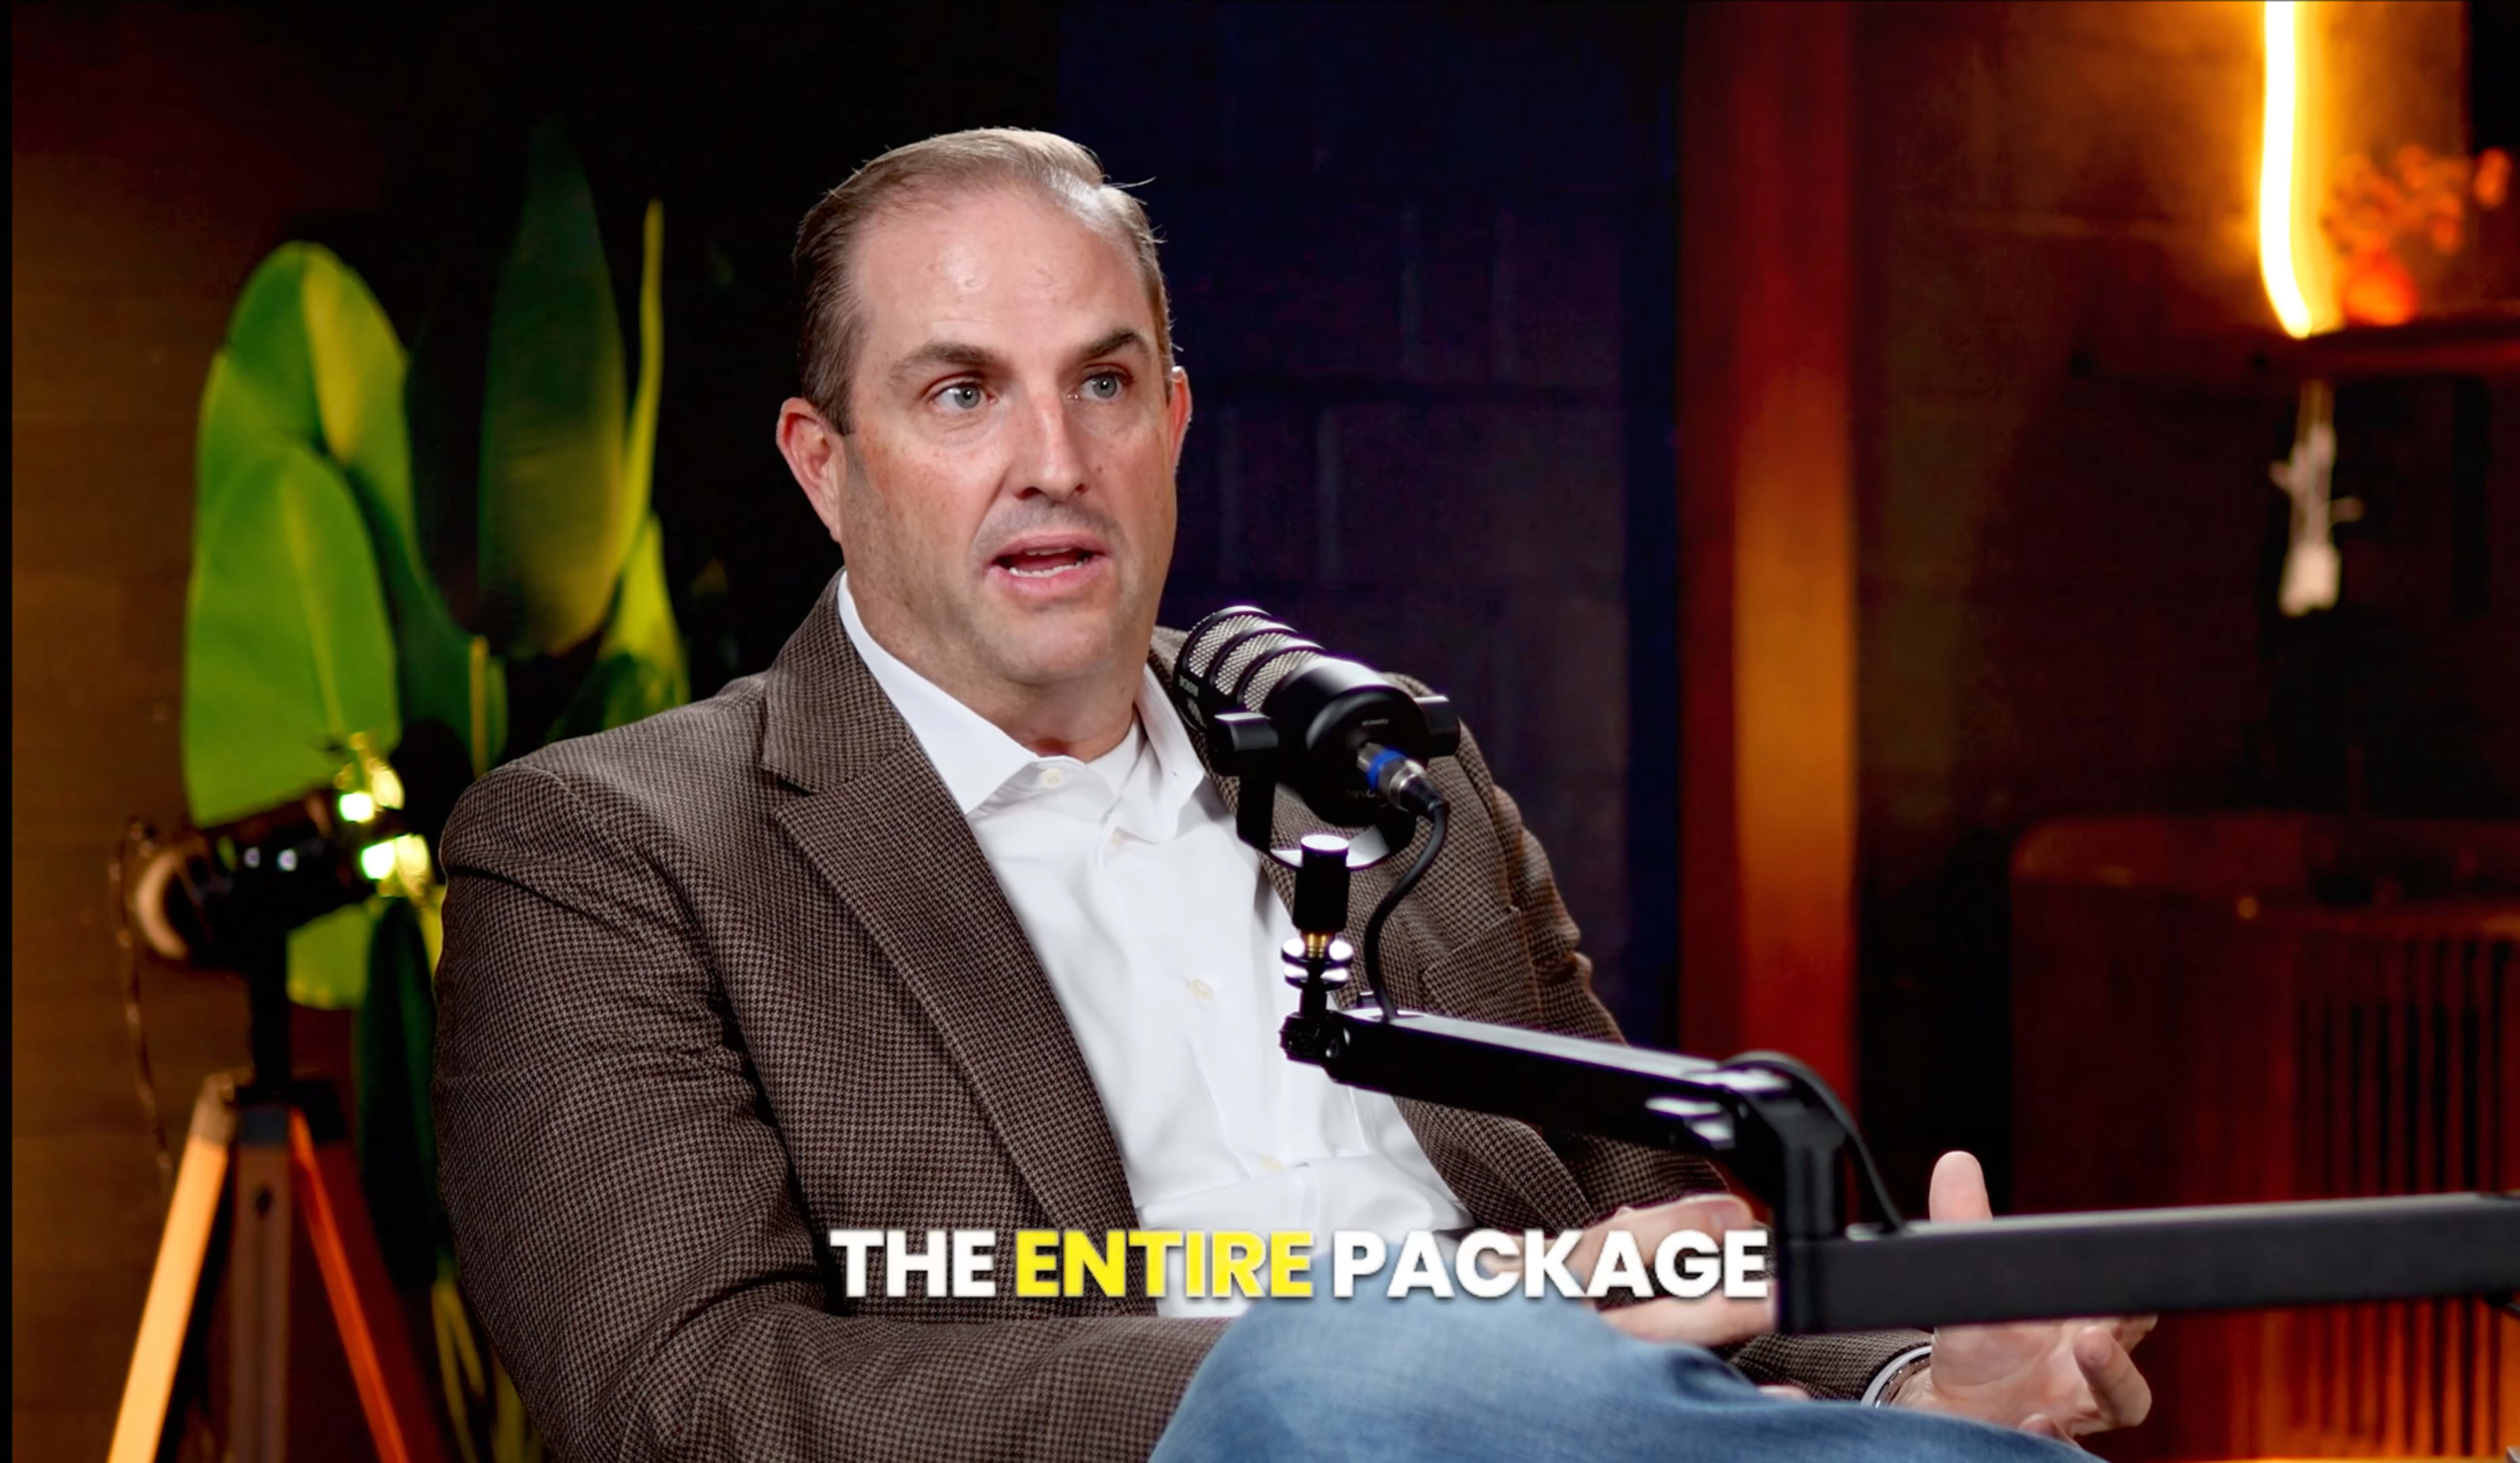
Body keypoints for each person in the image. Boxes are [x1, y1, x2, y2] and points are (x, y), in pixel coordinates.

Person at [433, 128, 2151, 1462]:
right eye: (962, 392)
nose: (1054, 458)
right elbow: (703, 1402)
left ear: (1172, 424)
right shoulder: (613, 852)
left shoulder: (1384, 780)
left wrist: (1930, 1371)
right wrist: (1441, 1349)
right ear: (826, 464)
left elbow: (1664, 1241)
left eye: (1105, 383)